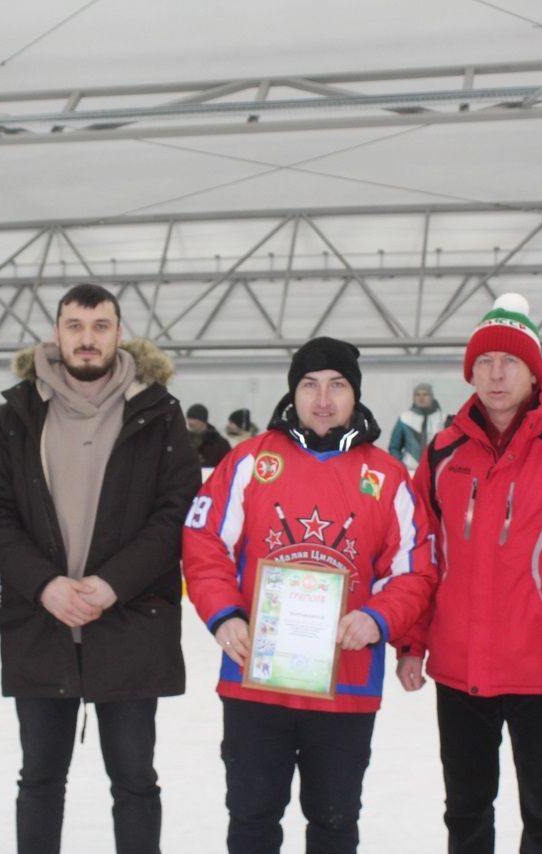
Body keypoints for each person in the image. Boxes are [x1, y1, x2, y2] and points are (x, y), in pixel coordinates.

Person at [182, 336, 437, 854]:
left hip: (346, 685)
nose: (323, 400)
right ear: (293, 393)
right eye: (310, 385)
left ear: (355, 394)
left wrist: (378, 619)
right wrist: (224, 615)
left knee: (334, 824)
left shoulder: (388, 478)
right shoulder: (249, 462)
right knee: (252, 821)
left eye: (337, 386)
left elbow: (415, 570)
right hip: (255, 682)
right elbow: (203, 542)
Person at [397, 293, 542, 854]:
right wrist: (412, 641)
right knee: (465, 814)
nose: (496, 375)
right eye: (484, 363)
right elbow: (422, 555)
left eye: (510, 363)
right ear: (469, 372)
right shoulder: (442, 452)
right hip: (458, 670)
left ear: (534, 373)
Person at [0, 283, 201, 854]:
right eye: (75, 326)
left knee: (135, 783)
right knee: (40, 781)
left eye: (100, 326)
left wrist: (112, 584)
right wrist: (44, 584)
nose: (87, 338)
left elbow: (176, 514)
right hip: (41, 625)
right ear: (57, 334)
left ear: (119, 334)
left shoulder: (159, 412)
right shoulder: (19, 413)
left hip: (129, 625)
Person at [388, 381, 445, 468]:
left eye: (425, 394)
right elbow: (394, 447)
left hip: (436, 471)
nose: (421, 398)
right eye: (418, 395)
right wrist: (400, 465)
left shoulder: (443, 419)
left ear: (432, 397)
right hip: (410, 471)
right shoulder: (405, 419)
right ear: (414, 398)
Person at [186, 402, 232, 467]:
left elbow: (227, 465)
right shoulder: (184, 441)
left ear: (202, 421)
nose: (189, 422)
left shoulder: (221, 444)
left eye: (193, 419)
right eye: (188, 418)